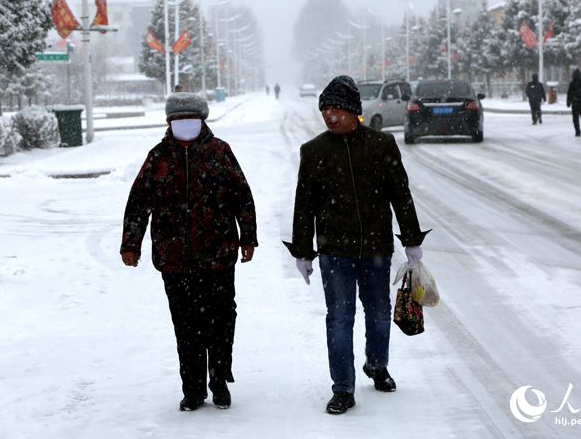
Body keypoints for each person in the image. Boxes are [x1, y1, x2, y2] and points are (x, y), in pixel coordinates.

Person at [284, 75, 428, 415]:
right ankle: (343, 388)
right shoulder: (314, 151)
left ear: (354, 111)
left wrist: (411, 239)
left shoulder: (381, 145)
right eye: (325, 110)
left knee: (378, 314)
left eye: (337, 109)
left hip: (376, 248)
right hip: (335, 252)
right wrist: (304, 251)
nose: (330, 116)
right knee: (339, 318)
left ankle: (377, 365)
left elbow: (400, 195)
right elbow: (303, 205)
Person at [120, 92, 258, 412]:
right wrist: (131, 244)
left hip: (218, 253)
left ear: (203, 120)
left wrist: (248, 237)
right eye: (178, 120)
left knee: (222, 320)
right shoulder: (158, 157)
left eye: (191, 120)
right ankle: (192, 388)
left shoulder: (220, 152)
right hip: (175, 257)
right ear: (169, 122)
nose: (185, 125)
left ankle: (219, 377)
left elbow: (242, 196)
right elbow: (139, 204)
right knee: (186, 325)